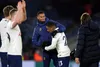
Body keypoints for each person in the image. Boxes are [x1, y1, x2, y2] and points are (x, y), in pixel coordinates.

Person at [7, 0, 27, 67]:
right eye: (18, 14)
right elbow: (18, 20)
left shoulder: (16, 25)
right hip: (13, 54)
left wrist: (23, 9)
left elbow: (24, 18)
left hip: (17, 54)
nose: (20, 16)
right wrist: (19, 9)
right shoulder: (9, 24)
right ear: (13, 16)